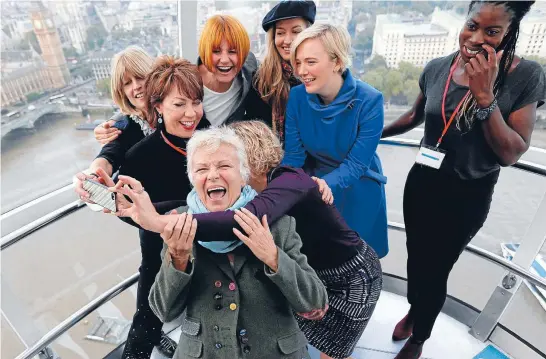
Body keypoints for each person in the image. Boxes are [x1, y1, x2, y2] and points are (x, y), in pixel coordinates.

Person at [107, 121, 383, 359]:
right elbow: (164, 312)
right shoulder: (179, 224)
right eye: (202, 170)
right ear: (192, 179)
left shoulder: (279, 222)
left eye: (224, 165)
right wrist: (177, 260)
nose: (213, 175)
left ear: (244, 174)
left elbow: (314, 302)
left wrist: (273, 257)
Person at [381, 1, 545, 358]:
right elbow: (413, 115)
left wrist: (485, 96)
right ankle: (414, 309)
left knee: (438, 268)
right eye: (472, 25)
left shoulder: (525, 76)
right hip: (422, 182)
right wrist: (372, 134)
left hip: (468, 194)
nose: (476, 38)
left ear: (509, 33)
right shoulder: (439, 67)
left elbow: (511, 152)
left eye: (492, 32)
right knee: (415, 257)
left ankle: (419, 337)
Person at [98, 56, 210, 359]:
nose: (191, 114)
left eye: (196, 102)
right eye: (179, 105)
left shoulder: (211, 139)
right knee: (146, 320)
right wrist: (165, 218)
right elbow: (128, 210)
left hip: (212, 246)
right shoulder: (139, 155)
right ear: (158, 105)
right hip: (159, 251)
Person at [282, 23, 389, 258]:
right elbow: (293, 157)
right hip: (314, 186)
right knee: (317, 261)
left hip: (358, 187)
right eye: (298, 62)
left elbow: (356, 165)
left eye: (310, 62)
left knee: (356, 265)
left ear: (337, 62)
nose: (301, 71)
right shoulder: (298, 97)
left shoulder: (370, 100)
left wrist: (322, 185)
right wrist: (280, 187)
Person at [74, 46, 156, 205]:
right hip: (152, 209)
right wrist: (93, 176)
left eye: (140, 77)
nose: (136, 86)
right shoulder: (124, 126)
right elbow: (109, 155)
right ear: (122, 91)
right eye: (127, 83)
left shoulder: (176, 110)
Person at [247, 0, 316, 143]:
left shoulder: (320, 75)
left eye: (296, 31)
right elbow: (255, 133)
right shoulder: (261, 81)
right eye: (280, 33)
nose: (287, 40)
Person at [197, 14, 260, 126]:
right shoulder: (188, 82)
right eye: (216, 51)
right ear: (205, 52)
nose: (225, 60)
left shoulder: (249, 69)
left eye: (232, 51)